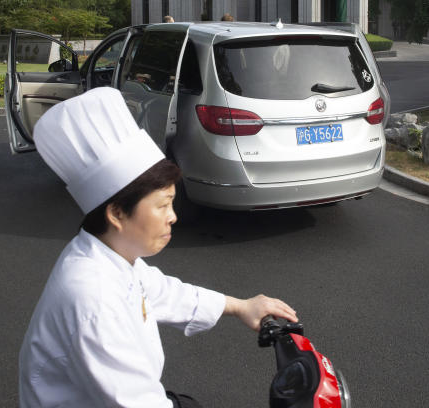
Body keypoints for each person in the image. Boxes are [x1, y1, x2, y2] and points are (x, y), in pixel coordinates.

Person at [19, 87, 297, 408]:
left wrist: (239, 306)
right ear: (117, 213)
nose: (173, 217)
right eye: (163, 205)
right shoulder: (91, 300)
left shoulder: (108, 254)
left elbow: (161, 291)